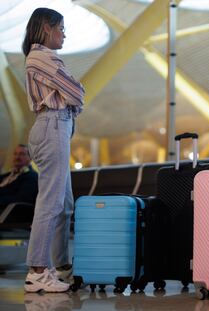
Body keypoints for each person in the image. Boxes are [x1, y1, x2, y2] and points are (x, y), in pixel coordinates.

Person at [22, 7, 85, 293]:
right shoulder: (41, 57)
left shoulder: (43, 58)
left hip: (55, 127)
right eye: (61, 28)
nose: (64, 34)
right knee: (51, 202)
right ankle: (37, 271)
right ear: (46, 27)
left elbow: (74, 94)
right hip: (52, 126)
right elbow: (76, 92)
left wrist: (73, 95)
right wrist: (74, 95)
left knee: (65, 205)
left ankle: (61, 268)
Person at [0, 144, 38, 213]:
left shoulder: (32, 177)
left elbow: (21, 199)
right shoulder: (6, 175)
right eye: (15, 154)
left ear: (30, 158)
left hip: (9, 214)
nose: (17, 157)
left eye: (22, 154)